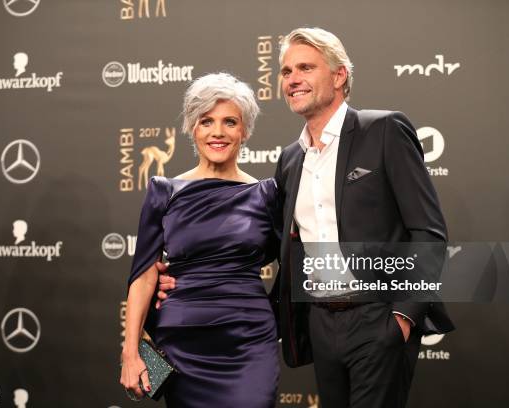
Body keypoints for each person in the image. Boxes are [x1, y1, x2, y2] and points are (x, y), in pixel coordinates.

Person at [159, 28, 455, 408]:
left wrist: (403, 316)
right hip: (320, 323)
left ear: (339, 75)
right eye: (285, 71)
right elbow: (269, 243)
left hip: (378, 317)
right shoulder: (290, 159)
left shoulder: (382, 130)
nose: (292, 79)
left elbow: (427, 231)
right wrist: (188, 262)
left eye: (305, 68)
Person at [120, 73, 280, 407]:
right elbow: (144, 275)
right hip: (183, 342)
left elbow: (296, 262)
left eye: (230, 122)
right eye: (206, 121)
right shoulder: (163, 192)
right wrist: (131, 351)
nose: (218, 132)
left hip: (248, 341)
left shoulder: (266, 194)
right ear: (193, 128)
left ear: (245, 130)